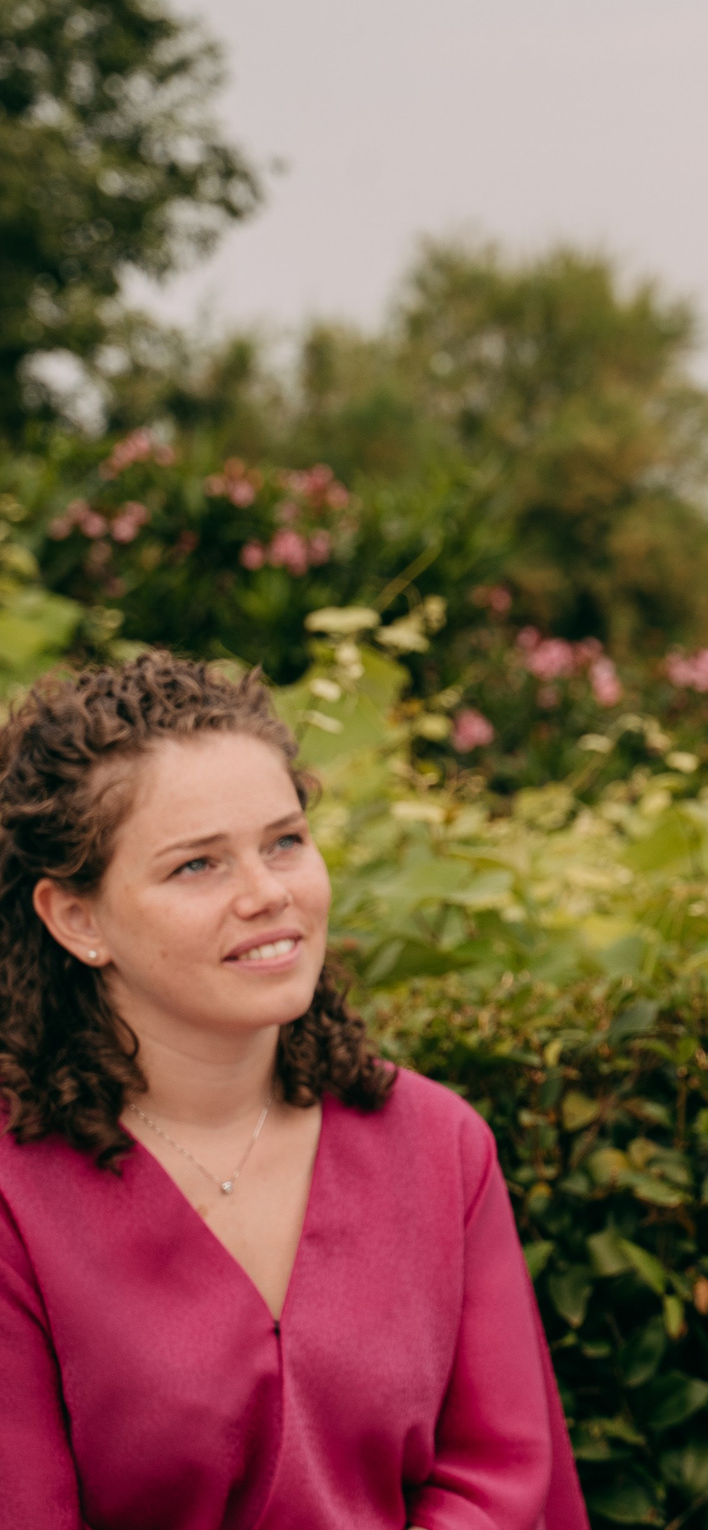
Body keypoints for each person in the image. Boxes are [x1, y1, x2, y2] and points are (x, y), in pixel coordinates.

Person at [0, 654, 586, 1530]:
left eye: (284, 841)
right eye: (197, 865)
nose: (268, 893)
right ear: (77, 918)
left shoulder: (439, 1145)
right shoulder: (14, 1195)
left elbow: (498, 1476)